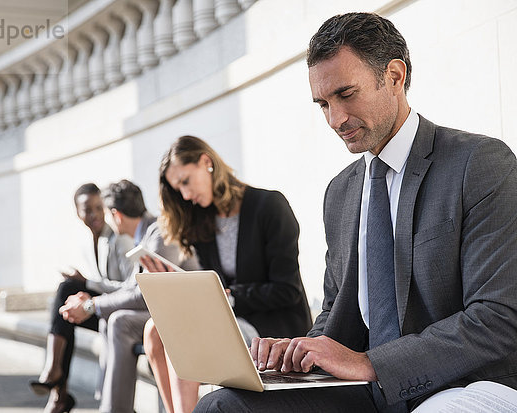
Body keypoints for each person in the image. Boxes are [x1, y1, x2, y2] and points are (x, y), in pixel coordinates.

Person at [193, 12, 517, 413]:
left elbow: (498, 319)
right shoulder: (341, 192)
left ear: (395, 77)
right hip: (369, 389)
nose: (335, 120)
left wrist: (368, 363)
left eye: (346, 95)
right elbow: (336, 313)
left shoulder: (480, 163)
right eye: (323, 104)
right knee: (222, 406)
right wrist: (296, 353)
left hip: (463, 384)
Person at [142, 135, 313, 413]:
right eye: (178, 189)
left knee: (185, 332)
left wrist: (230, 298)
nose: (185, 196)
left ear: (206, 162)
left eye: (185, 181)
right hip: (232, 319)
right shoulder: (203, 221)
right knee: (154, 329)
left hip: (272, 325)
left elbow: (287, 289)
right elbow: (214, 285)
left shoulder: (269, 206)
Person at [59, 179, 199, 413]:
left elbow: (143, 295)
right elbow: (129, 287)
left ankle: (114, 408)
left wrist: (91, 306)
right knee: (110, 318)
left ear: (117, 215)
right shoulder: (147, 234)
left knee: (120, 321)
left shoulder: (159, 234)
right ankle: (110, 404)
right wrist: (89, 301)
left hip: (186, 314)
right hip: (164, 310)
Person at [29, 182, 135, 413]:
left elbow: (132, 287)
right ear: (78, 213)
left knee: (68, 288)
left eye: (98, 207)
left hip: (124, 312)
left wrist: (86, 283)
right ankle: (58, 393)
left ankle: (56, 380)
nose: (95, 214)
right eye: (88, 209)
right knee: (68, 301)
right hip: (105, 309)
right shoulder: (89, 243)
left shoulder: (120, 239)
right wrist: (85, 291)